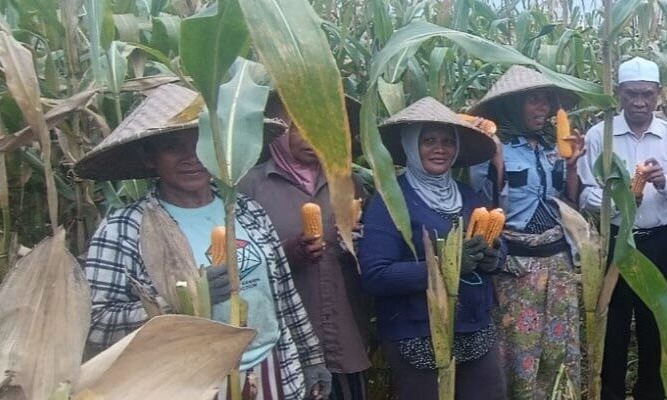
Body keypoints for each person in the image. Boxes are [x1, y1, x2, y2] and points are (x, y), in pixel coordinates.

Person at [78, 84, 332, 400]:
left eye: (201, 140)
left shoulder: (245, 209)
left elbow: (285, 294)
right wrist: (186, 301)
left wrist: (310, 358)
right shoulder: (125, 228)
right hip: (191, 383)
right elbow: (97, 324)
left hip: (275, 370)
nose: (192, 157)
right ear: (149, 158)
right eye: (173, 146)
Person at [356, 97, 505, 400]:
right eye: (428, 141)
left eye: (448, 142)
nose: (440, 148)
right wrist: (444, 266)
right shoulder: (390, 201)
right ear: (411, 146)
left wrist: (493, 258)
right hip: (417, 333)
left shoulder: (468, 196)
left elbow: (497, 248)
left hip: (474, 327)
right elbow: (375, 275)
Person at [577, 57, 667, 400]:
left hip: (659, 242)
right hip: (616, 241)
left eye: (647, 94)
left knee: (656, 324)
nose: (639, 102)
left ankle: (652, 392)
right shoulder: (599, 135)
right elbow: (585, 192)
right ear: (619, 93)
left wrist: (664, 182)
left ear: (659, 94)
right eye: (631, 94)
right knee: (613, 325)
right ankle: (610, 392)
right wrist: (619, 200)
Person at [237, 94, 370, 400]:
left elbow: (373, 258)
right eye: (297, 127)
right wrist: (288, 254)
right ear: (277, 130)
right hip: (285, 341)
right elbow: (240, 267)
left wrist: (358, 243)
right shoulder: (250, 188)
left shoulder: (349, 184)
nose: (310, 137)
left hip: (346, 331)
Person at [467, 65, 586, 399]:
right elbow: (484, 205)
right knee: (519, 350)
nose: (544, 108)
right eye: (534, 101)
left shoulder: (551, 147)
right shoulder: (489, 148)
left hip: (557, 261)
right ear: (511, 107)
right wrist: (497, 159)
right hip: (516, 268)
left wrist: (574, 166)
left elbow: (570, 203)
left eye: (546, 100)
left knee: (557, 345)